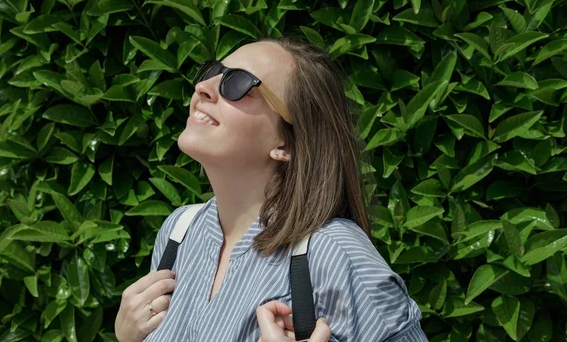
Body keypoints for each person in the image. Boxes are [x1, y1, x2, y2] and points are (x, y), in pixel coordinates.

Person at [115, 37, 428, 341]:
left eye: (237, 83)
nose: (202, 87)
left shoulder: (334, 252)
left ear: (287, 143)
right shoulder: (179, 233)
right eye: (212, 72)